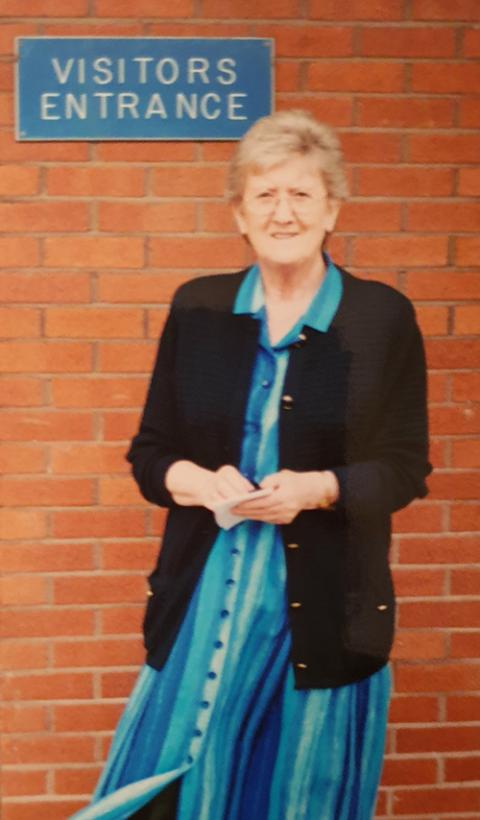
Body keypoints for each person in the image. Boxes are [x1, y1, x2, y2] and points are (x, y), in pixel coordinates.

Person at [72, 109, 431, 820]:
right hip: (207, 598)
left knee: (298, 794)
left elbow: (403, 468)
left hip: (327, 613)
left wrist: (319, 489)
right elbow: (150, 454)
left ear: (333, 206)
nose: (283, 212)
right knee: (164, 786)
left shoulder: (378, 317)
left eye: (302, 193)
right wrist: (199, 483)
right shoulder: (199, 308)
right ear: (238, 213)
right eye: (264, 195)